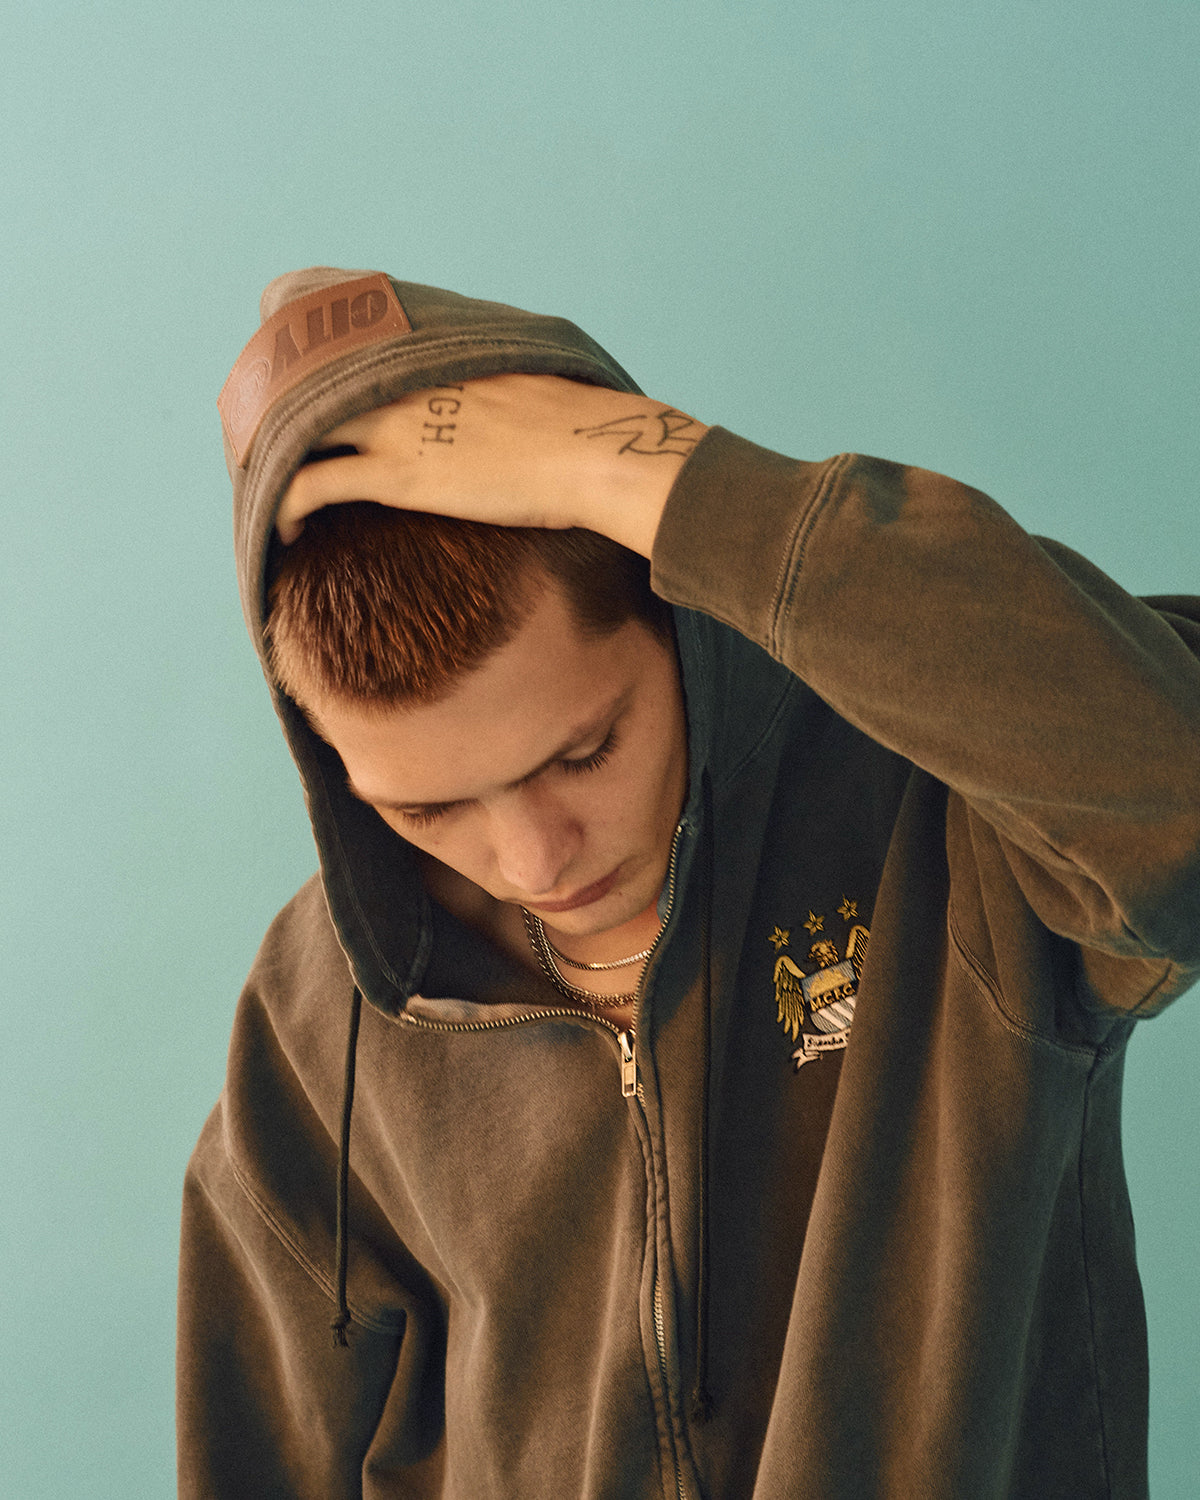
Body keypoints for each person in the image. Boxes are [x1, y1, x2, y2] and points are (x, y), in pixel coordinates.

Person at [178, 266, 1200, 1499]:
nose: (535, 860)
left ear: (671, 614)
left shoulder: (947, 808)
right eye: (425, 811)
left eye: (583, 753)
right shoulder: (314, 1021)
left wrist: (656, 474)